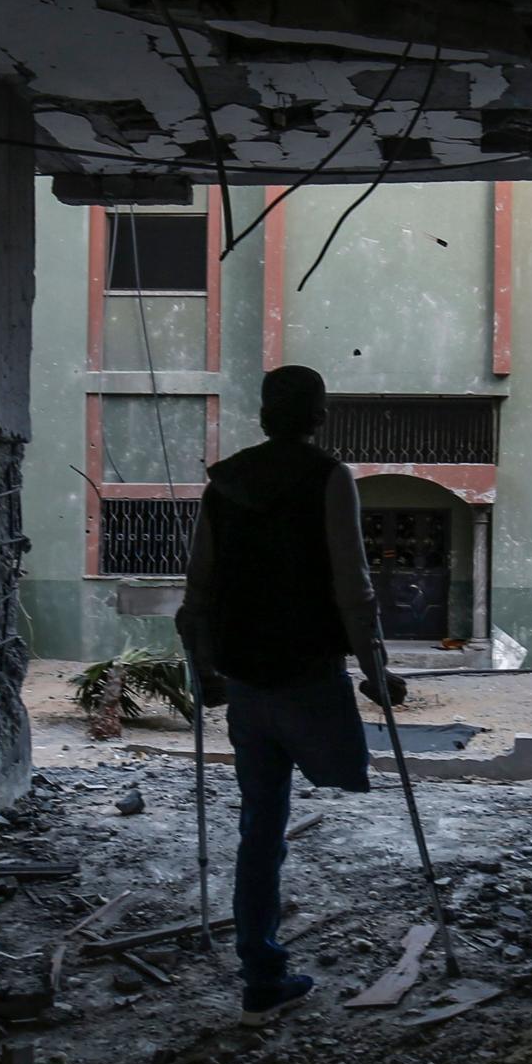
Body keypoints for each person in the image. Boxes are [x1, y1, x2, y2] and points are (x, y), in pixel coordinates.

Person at [176, 365, 404, 1026]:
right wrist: (376, 668)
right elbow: (351, 583)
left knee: (261, 823)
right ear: (318, 415)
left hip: (246, 676)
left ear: (264, 413)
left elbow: (199, 587)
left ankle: (261, 971)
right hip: (307, 673)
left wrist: (205, 669)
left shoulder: (225, 482)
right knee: (337, 777)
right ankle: (264, 967)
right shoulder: (329, 478)